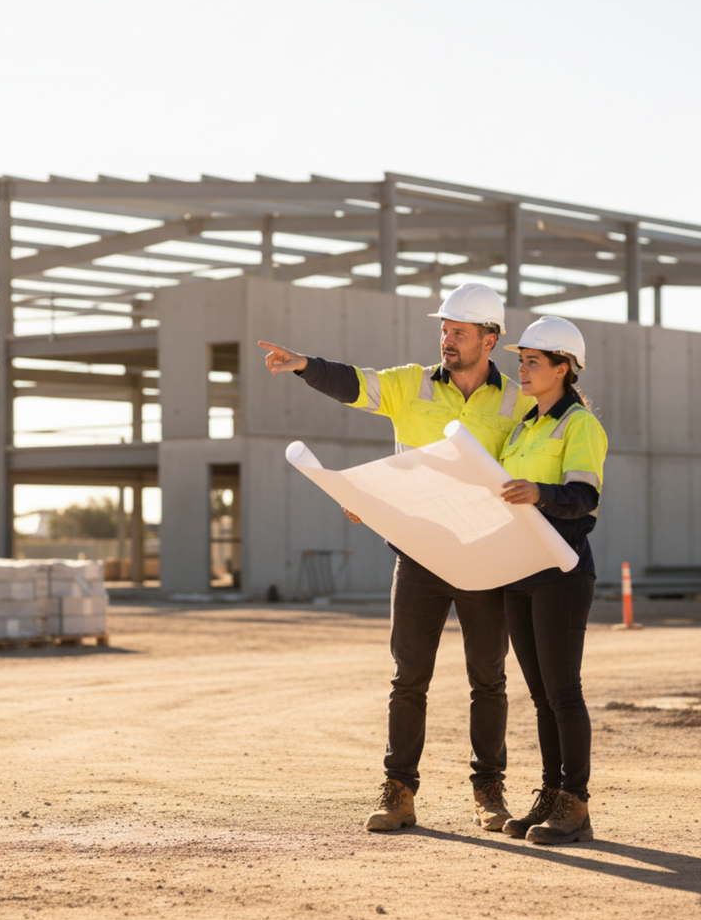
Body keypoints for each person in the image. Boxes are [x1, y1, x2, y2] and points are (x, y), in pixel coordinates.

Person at [258, 283, 534, 832]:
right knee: (408, 679)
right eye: (444, 329)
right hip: (421, 554)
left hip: (486, 557)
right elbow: (355, 383)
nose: (447, 339)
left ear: (490, 338)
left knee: (489, 680)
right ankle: (399, 792)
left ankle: (489, 792)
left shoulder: (518, 400)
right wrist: (304, 365)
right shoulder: (412, 384)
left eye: (458, 332)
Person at [497, 315, 607, 844]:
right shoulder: (523, 425)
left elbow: (584, 502)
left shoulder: (580, 426)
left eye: (533, 361)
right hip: (517, 571)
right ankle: (549, 795)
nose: (522, 369)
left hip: (560, 573)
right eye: (521, 360)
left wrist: (539, 492)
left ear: (563, 368)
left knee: (564, 693)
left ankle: (575, 802)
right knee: (540, 696)